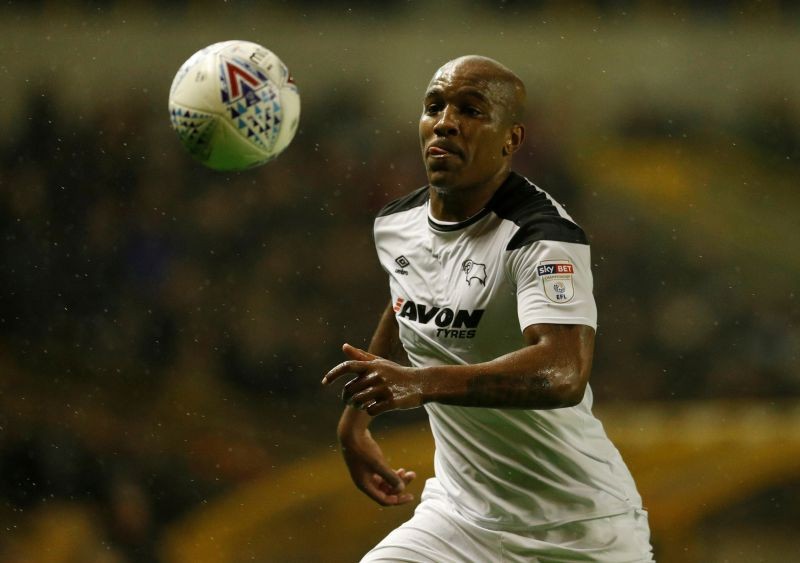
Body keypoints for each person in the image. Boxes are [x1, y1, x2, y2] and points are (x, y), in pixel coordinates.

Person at [322, 55, 653, 562]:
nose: (446, 122)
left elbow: (564, 372)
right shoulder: (397, 223)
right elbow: (409, 300)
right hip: (458, 517)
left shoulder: (542, 238)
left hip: (576, 530)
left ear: (511, 139)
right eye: (435, 106)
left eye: (471, 110)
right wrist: (356, 420)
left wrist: (419, 383)